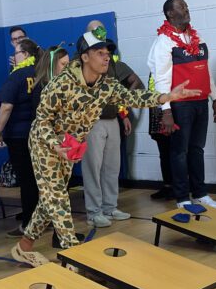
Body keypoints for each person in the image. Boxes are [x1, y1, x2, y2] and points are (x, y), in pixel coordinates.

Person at [11, 30, 200, 266]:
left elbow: (135, 97)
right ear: (85, 57)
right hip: (45, 144)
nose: (106, 57)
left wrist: (166, 96)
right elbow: (42, 122)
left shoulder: (107, 85)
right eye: (99, 53)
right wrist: (55, 145)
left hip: (70, 147)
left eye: (107, 52)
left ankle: (24, 246)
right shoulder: (60, 85)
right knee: (58, 199)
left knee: (49, 200)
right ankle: (75, 259)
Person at [147, 0, 216, 210]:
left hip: (200, 102)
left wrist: (215, 97)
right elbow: (161, 78)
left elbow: (205, 69)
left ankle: (200, 193)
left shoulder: (196, 37)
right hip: (179, 106)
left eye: (187, 5)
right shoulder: (163, 42)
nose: (187, 9)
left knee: (197, 149)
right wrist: (166, 111)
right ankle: (182, 198)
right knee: (178, 152)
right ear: (170, 14)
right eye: (181, 6)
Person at [79, 21, 142, 228]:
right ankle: (94, 212)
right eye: (94, 31)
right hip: (92, 122)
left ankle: (110, 206)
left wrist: (123, 114)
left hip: (112, 119)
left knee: (112, 167)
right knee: (92, 168)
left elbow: (122, 89)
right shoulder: (80, 64)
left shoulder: (111, 63)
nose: (105, 54)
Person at [0, 37, 41, 237]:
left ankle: (28, 225)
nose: (13, 58)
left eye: (17, 54)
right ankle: (42, 221)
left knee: (27, 181)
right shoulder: (41, 73)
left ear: (26, 55)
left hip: (20, 136)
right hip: (39, 135)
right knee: (39, 180)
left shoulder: (18, 75)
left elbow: (6, 105)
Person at [145, 72, 174, 200]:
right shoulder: (153, 68)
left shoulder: (170, 64)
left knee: (175, 152)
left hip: (170, 112)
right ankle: (167, 186)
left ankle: (177, 187)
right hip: (156, 113)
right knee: (163, 153)